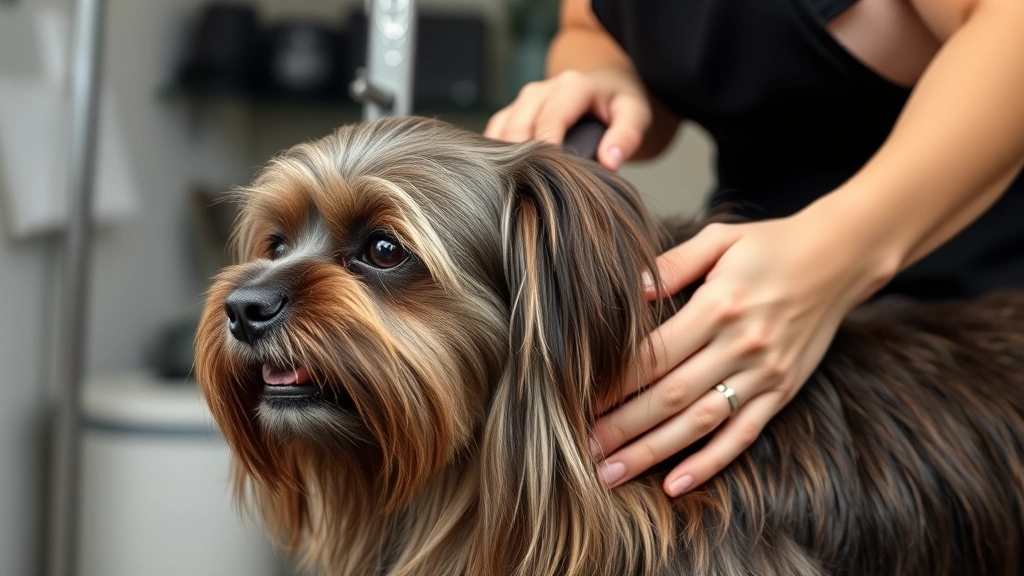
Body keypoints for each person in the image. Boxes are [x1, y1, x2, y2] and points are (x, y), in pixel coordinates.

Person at [485, 0, 1024, 498]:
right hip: (750, 285)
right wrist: (609, 77)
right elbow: (593, 27)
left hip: (981, 336)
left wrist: (838, 253)